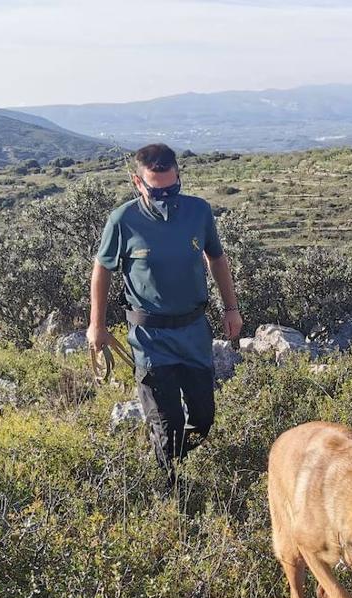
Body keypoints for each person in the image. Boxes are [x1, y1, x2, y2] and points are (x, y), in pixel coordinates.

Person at [88, 143, 242, 487]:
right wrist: (96, 325)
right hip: (150, 339)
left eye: (172, 188)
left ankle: (177, 458)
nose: (166, 196)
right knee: (167, 423)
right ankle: (170, 490)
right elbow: (102, 268)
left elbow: (216, 259)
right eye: (157, 190)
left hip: (193, 333)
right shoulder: (123, 220)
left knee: (203, 419)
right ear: (137, 182)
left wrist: (230, 308)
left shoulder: (198, 212)